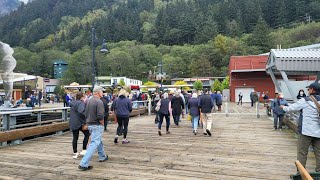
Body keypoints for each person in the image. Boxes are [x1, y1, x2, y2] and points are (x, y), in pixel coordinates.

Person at [280, 82, 320, 172]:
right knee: (319, 153)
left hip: (306, 132)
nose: (308, 90)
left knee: (302, 153)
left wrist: (283, 107)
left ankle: (301, 173)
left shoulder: (305, 100)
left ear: (312, 90)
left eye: (309, 89)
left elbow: (291, 108)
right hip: (318, 132)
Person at [78, 86, 108, 171]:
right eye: (102, 91)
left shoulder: (88, 100)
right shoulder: (99, 102)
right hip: (97, 124)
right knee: (94, 143)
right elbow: (100, 115)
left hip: (90, 124)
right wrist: (102, 123)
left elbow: (85, 112)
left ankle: (102, 156)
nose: (103, 93)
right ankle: (83, 163)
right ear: (98, 92)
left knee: (98, 140)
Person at [69, 92, 90, 159]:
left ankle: (75, 152)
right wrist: (86, 119)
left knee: (75, 137)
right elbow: (81, 111)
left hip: (73, 122)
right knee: (87, 134)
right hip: (79, 122)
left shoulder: (73, 103)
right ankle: (84, 149)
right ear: (81, 97)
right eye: (84, 97)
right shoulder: (81, 103)